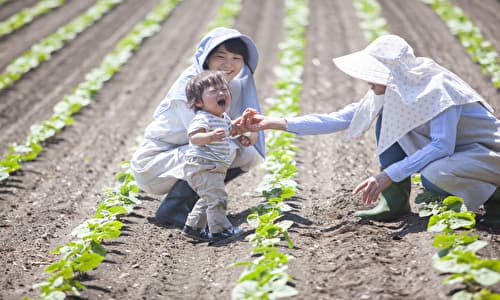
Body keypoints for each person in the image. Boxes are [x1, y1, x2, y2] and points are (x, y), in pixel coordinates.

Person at [243, 34, 500, 225]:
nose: (368, 79)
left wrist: (388, 174)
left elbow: (442, 145)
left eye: (375, 72)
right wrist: (272, 122)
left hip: (490, 155)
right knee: (385, 120)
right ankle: (395, 202)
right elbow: (336, 119)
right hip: (466, 156)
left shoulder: (437, 88)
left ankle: (496, 200)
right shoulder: (396, 93)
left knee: (434, 174)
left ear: (393, 72)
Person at [131, 28, 265, 228]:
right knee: (222, 148)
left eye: (236, 58)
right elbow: (202, 135)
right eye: (221, 56)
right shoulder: (189, 89)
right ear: (206, 59)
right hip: (156, 165)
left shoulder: (228, 86)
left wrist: (248, 132)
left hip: (183, 157)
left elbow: (228, 128)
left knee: (248, 153)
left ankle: (195, 200)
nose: (229, 64)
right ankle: (173, 208)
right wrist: (237, 132)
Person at [181, 70, 245, 241]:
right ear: (198, 102)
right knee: (217, 198)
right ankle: (220, 230)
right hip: (202, 165)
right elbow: (194, 138)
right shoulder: (203, 118)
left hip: (214, 166)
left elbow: (230, 131)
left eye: (224, 89)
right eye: (214, 91)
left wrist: (239, 127)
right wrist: (210, 136)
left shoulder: (222, 117)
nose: (222, 93)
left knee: (209, 197)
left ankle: (193, 227)